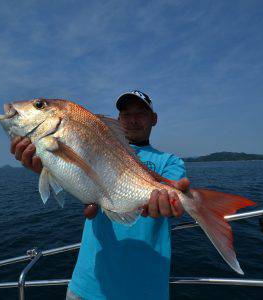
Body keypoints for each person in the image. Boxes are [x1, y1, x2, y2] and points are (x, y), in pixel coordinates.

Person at [10, 90, 190, 299]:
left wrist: (175, 199)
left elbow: (173, 195)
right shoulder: (97, 146)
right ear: (118, 120)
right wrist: (49, 168)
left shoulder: (170, 162)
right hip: (88, 285)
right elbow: (84, 185)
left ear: (154, 119)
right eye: (125, 114)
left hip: (145, 290)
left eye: (140, 113)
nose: (133, 120)